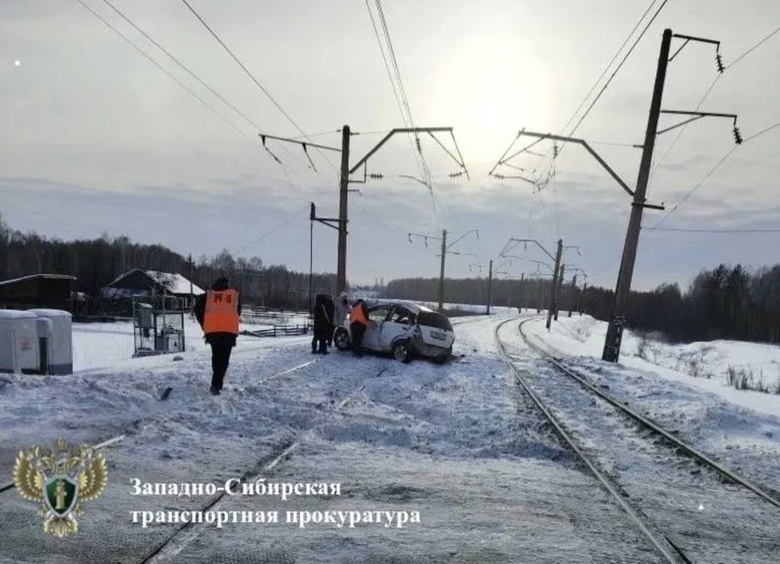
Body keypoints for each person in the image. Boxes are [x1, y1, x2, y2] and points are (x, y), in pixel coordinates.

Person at [194, 277, 241, 395]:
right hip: (229, 332)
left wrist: (204, 324)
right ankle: (216, 384)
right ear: (227, 284)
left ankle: (216, 384)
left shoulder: (208, 295)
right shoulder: (234, 295)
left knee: (216, 357)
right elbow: (238, 311)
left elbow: (197, 309)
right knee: (224, 359)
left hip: (213, 332)